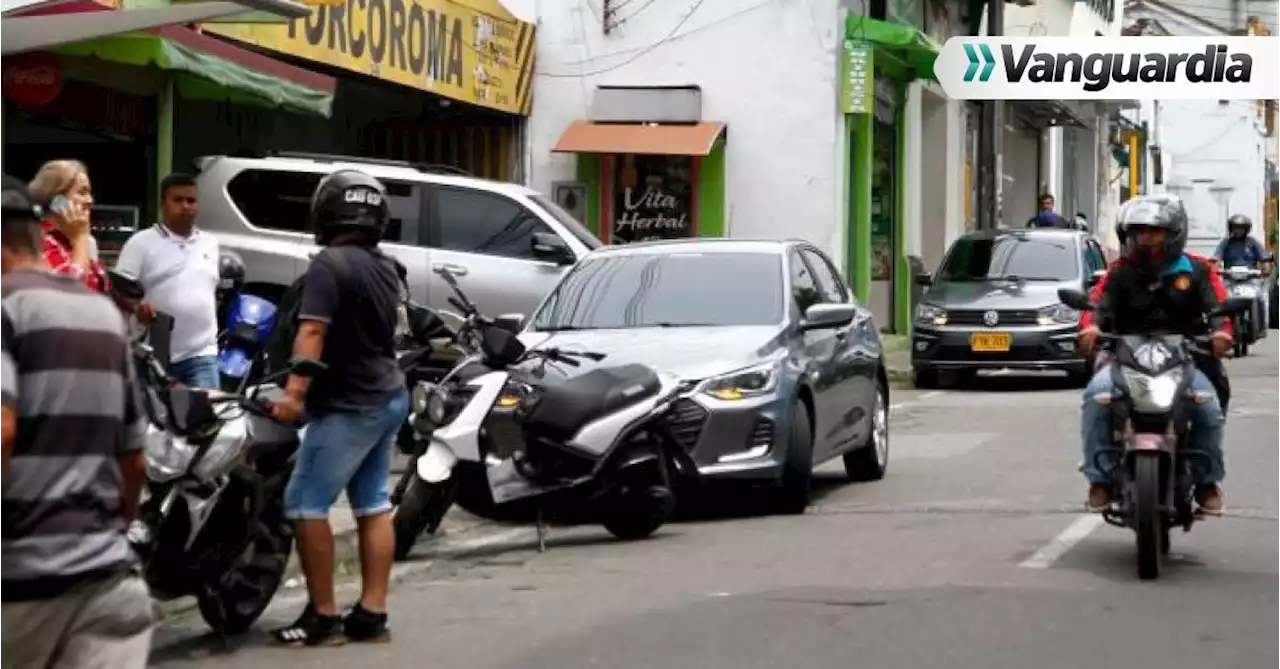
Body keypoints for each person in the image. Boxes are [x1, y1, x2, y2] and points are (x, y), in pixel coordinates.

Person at [0, 176, 152, 668]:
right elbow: (134, 459)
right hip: (112, 586)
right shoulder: (102, 314)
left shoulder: (6, 308)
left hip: (22, 590)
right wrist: (109, 533)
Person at [268, 169, 408, 647]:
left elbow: (312, 333)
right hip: (388, 394)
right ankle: (372, 612)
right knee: (372, 505)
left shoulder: (329, 263)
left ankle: (322, 617)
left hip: (350, 405)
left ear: (326, 212)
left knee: (305, 504)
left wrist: (292, 396)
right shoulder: (385, 265)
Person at [1077, 194, 1231, 516]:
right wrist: (1090, 329)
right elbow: (1096, 307)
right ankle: (1100, 480)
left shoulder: (1199, 270)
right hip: (1125, 355)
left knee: (1207, 406)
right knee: (1096, 396)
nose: (1146, 238)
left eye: (1154, 231)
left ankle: (1207, 482)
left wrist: (1221, 333)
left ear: (1174, 234)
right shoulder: (1118, 272)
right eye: (1140, 231)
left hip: (1186, 356)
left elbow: (1218, 308)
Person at [113, 173, 221, 389]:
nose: (185, 206)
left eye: (191, 200)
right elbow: (118, 291)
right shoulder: (141, 243)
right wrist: (137, 309)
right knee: (154, 420)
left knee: (208, 418)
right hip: (153, 355)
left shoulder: (210, 243)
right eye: (178, 200)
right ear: (163, 204)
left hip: (201, 354)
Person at [27, 160, 109, 294]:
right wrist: (81, 237)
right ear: (57, 202)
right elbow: (72, 294)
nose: (90, 200)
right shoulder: (38, 241)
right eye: (82, 192)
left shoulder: (78, 241)